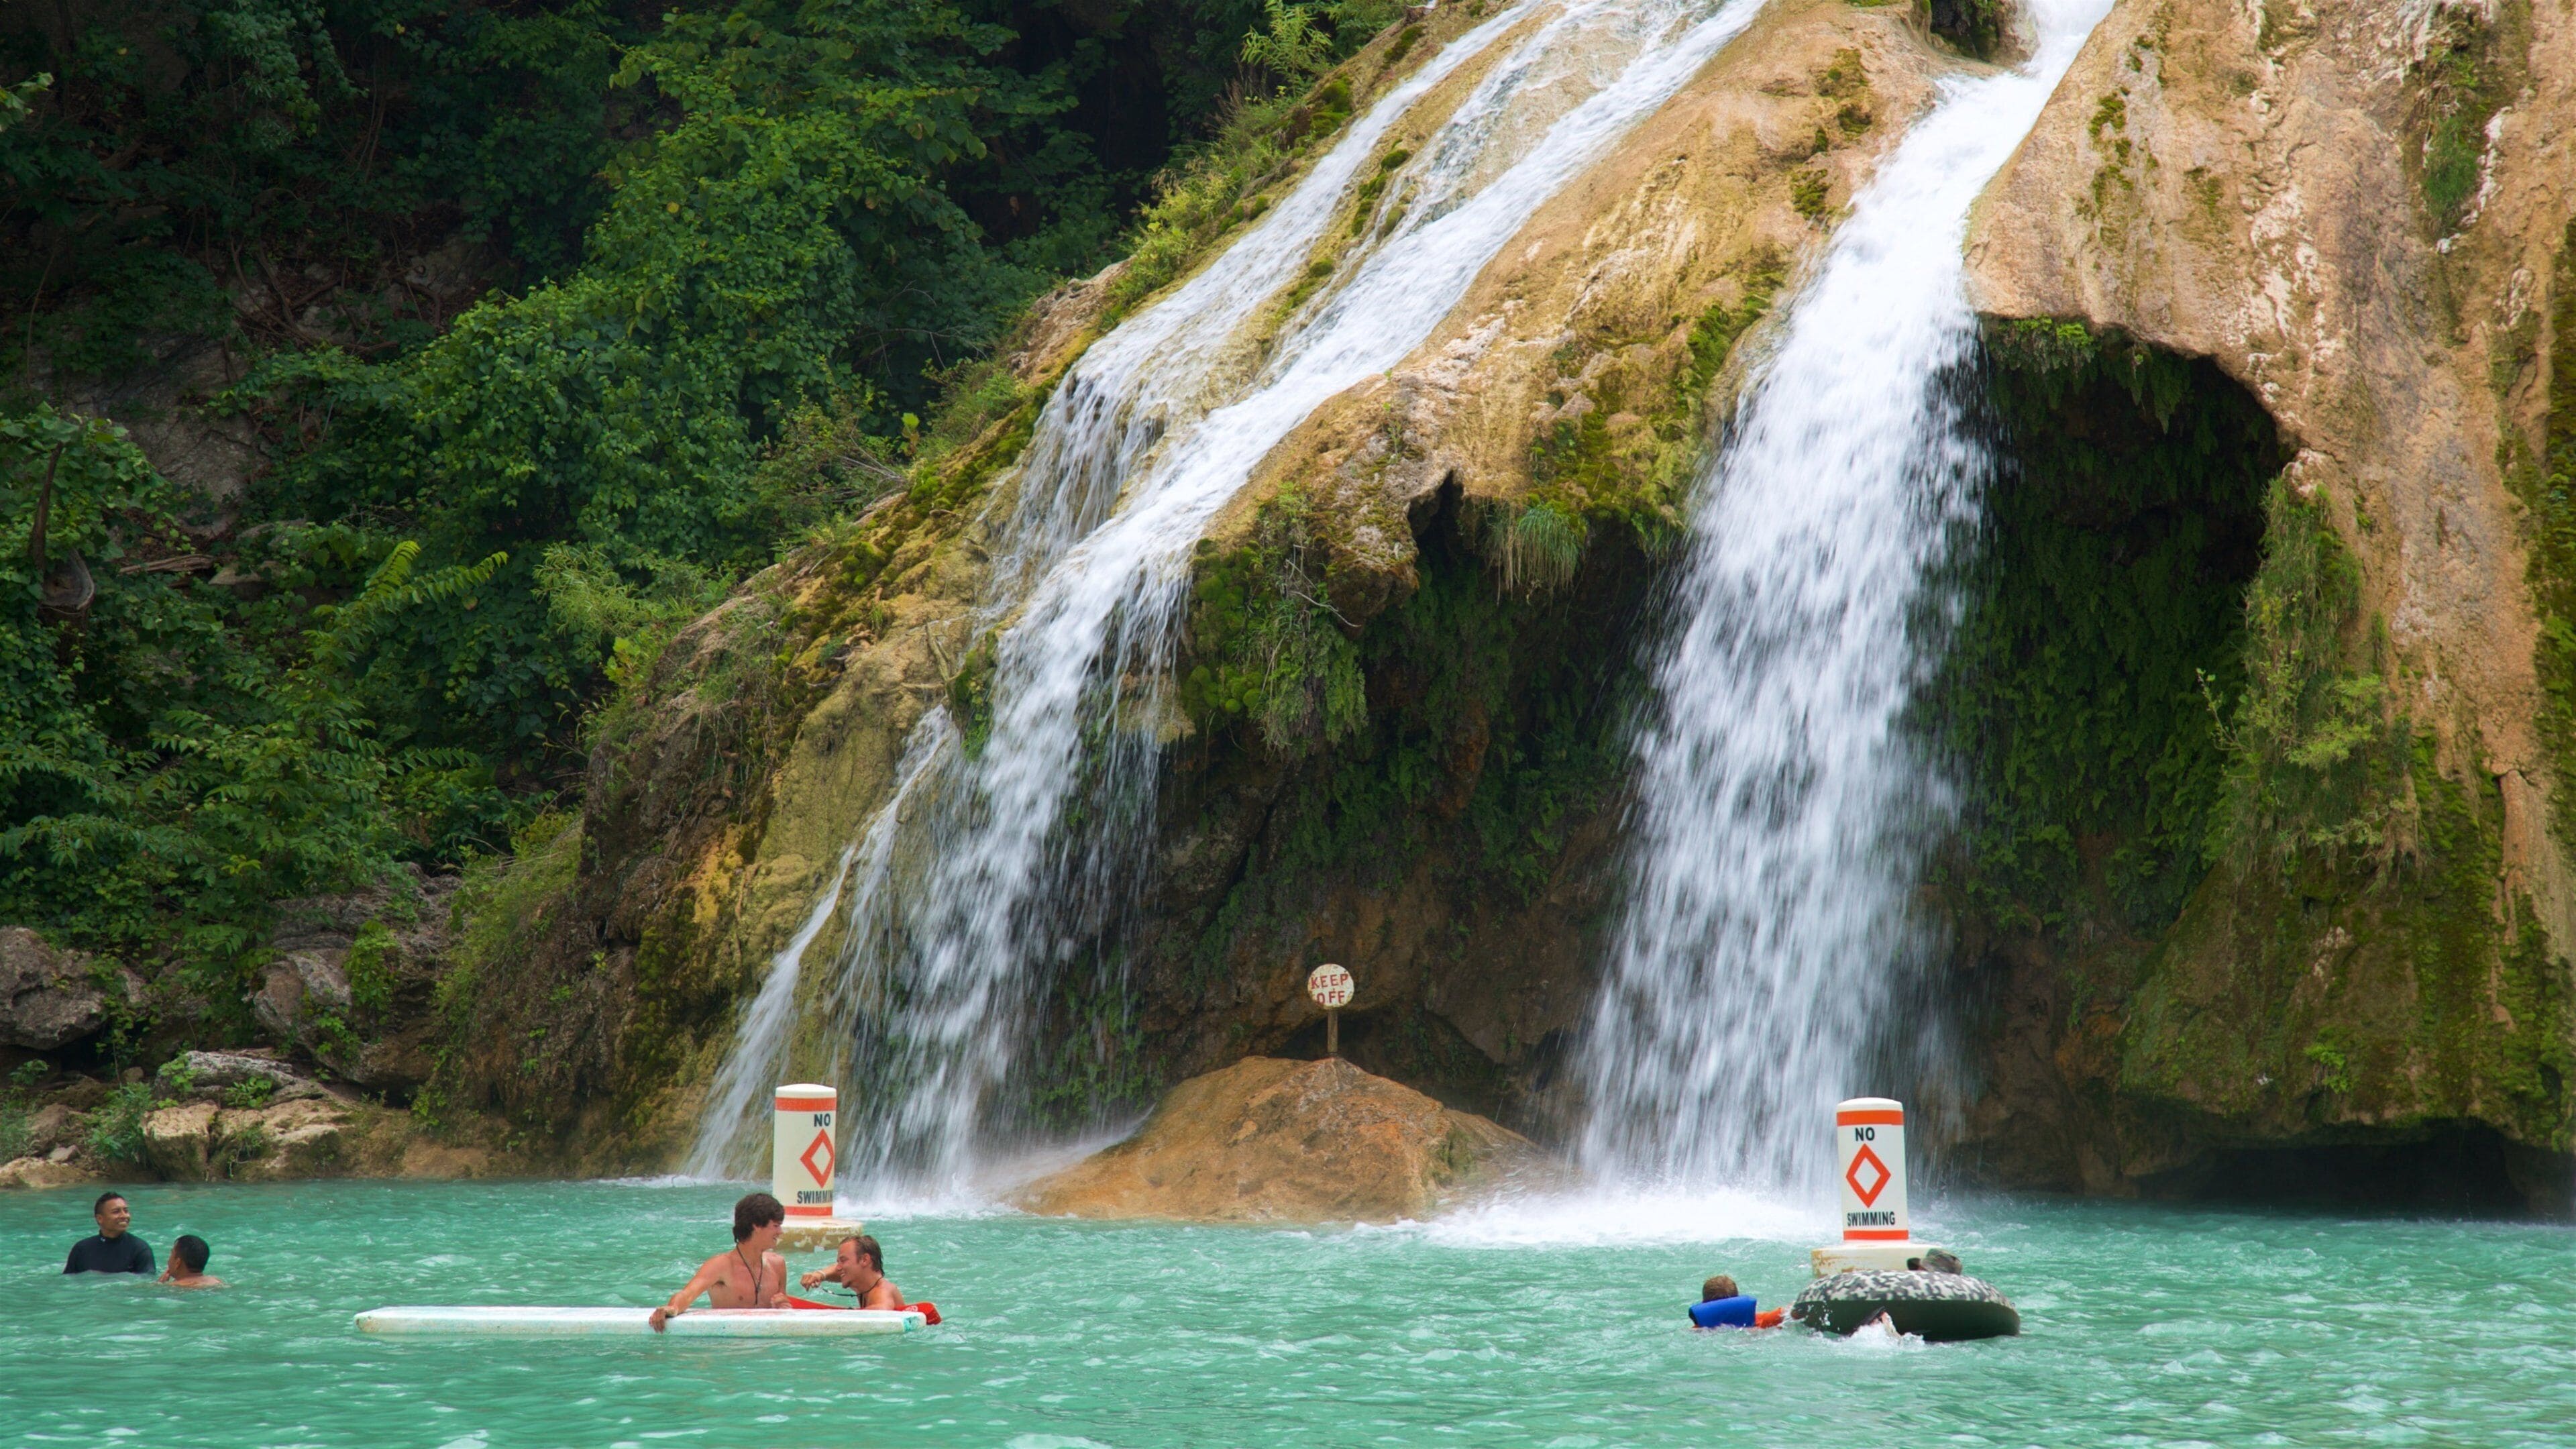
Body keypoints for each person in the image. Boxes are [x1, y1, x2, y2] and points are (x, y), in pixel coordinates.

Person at [649, 1192, 788, 1332]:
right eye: (776, 1226)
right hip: (727, 1346)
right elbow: (687, 1294)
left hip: (767, 1348)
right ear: (757, 1226)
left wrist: (784, 1307)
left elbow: (784, 1310)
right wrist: (672, 1308)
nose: (781, 1232)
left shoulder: (778, 1265)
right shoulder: (721, 1265)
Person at [798, 1234, 905, 1309]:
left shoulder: (883, 1291)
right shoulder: (865, 1285)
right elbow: (837, 1270)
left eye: (843, 1260)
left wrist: (848, 1314)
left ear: (865, 1260)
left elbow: (882, 1311)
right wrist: (820, 1275)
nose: (839, 1268)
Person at [63, 1192, 153, 1275]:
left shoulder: (140, 1249)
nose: (124, 1216)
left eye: (126, 1211)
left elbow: (145, 1284)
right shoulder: (81, 1249)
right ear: (100, 1219)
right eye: (116, 1212)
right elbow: (68, 1283)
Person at [1688, 1274, 1785, 1330]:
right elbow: (1791, 1312)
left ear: (1704, 1303)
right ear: (1737, 1299)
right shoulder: (1760, 1322)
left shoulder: (1698, 1331)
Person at [158, 1234, 225, 1289]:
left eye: (171, 1254)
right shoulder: (217, 1282)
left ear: (178, 1263)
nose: (169, 1259)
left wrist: (159, 1285)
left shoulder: (173, 1287)